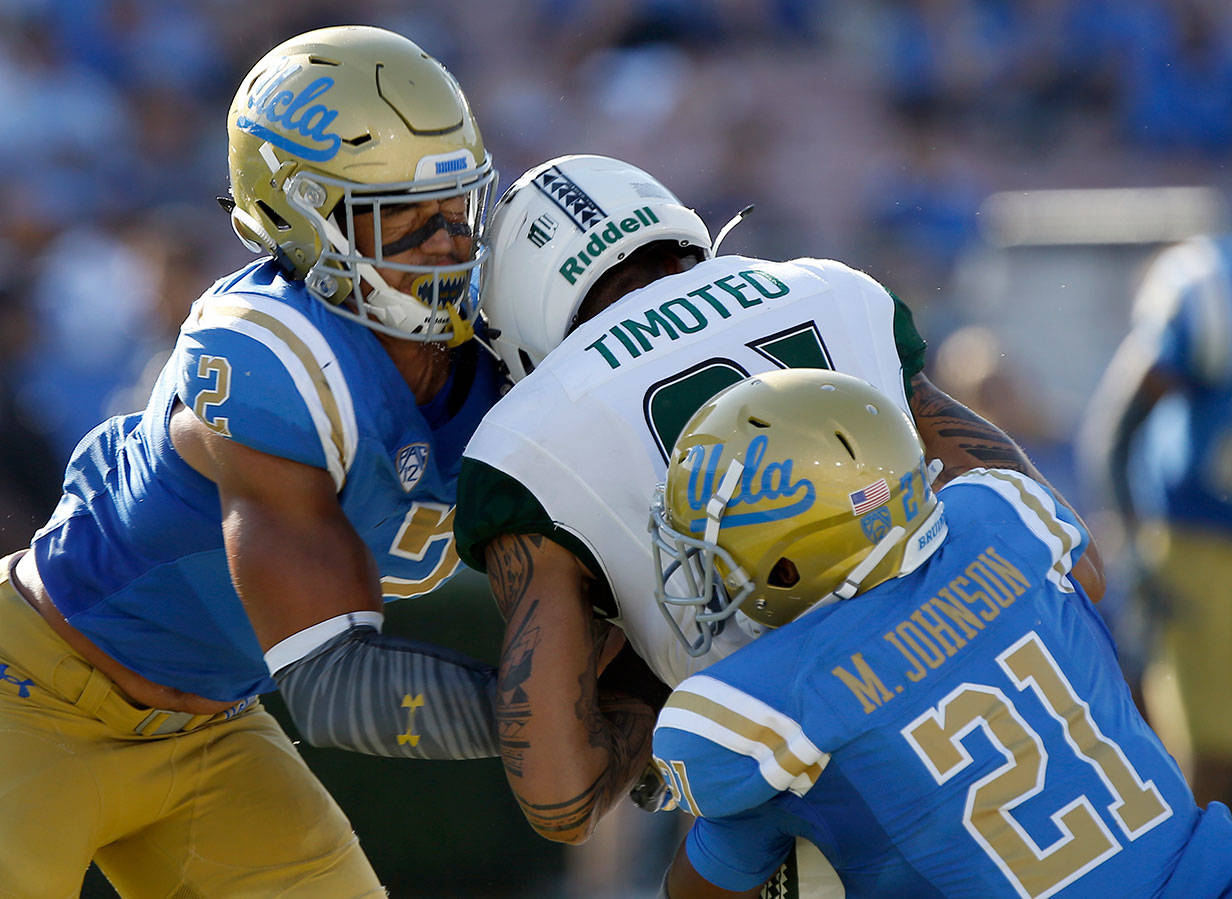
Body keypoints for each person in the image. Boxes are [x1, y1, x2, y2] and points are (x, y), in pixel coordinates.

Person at [0, 25, 504, 897]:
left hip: (210, 734)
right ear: (301, 219)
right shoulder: (269, 356)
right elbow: (338, 690)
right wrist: (561, 717)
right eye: (398, 213)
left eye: (457, 207)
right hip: (32, 697)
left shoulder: (498, 342)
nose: (447, 244)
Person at [453, 153, 1102, 844]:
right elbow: (1073, 562)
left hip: (826, 810)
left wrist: (654, 680)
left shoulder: (530, 437)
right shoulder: (831, 289)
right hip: (1034, 745)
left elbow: (561, 794)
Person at [648, 368, 1232, 898]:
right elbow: (1090, 576)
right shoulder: (1001, 510)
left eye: (714, 551)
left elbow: (698, 891)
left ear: (787, 561)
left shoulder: (770, 703)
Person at [1080, 234, 1232, 808]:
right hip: (1204, 547)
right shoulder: (1211, 284)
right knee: (1214, 757)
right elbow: (1117, 424)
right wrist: (1131, 538)